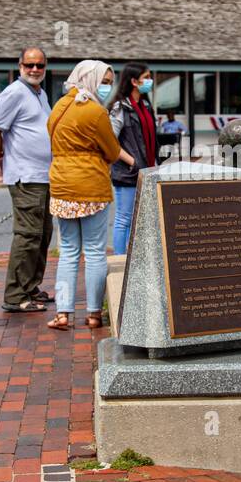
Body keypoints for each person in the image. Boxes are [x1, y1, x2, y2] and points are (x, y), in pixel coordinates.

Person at [46, 60, 133, 331]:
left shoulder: (59, 106)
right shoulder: (95, 112)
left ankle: (62, 313)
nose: (108, 87)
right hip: (91, 185)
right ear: (91, 79)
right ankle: (94, 313)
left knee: (69, 251)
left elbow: (51, 138)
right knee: (95, 251)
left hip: (61, 185)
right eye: (105, 81)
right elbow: (110, 150)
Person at [0, 47, 54, 314]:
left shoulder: (40, 93)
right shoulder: (13, 93)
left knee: (43, 234)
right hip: (25, 177)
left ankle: (30, 285)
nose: (35, 69)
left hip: (43, 175)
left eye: (39, 65)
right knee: (28, 236)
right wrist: (0, 156)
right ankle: (15, 295)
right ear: (20, 66)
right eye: (30, 65)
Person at [107, 61, 158, 254]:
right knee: (124, 218)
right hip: (128, 173)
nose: (150, 81)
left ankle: (135, 258)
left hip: (147, 171)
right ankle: (121, 260)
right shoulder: (120, 107)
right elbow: (111, 141)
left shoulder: (145, 105)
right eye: (146, 78)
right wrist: (132, 162)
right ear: (134, 81)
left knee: (141, 220)